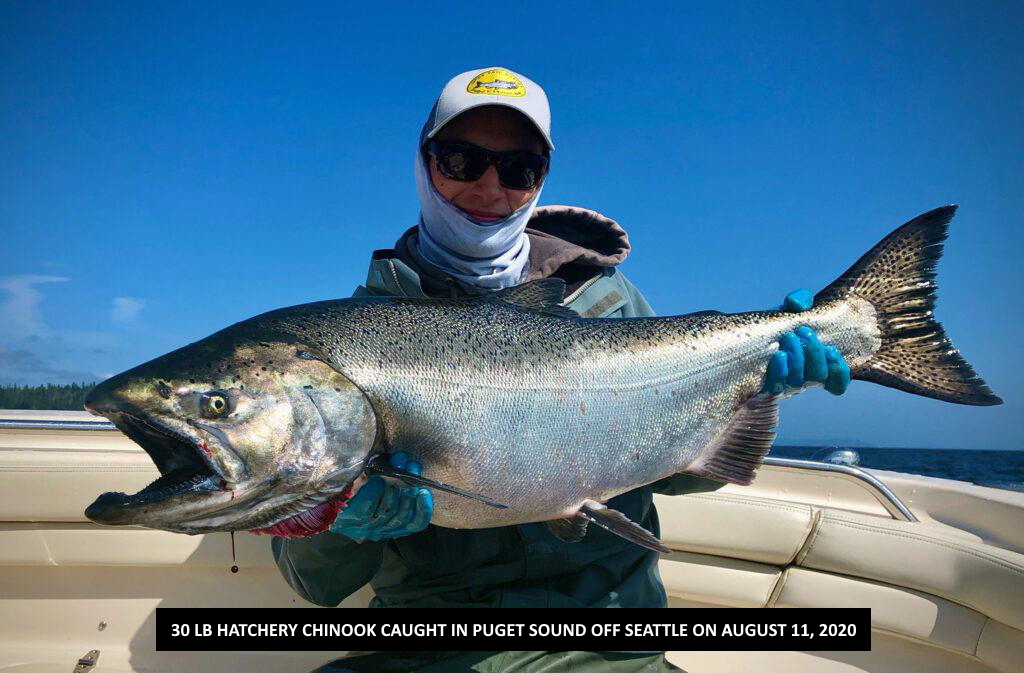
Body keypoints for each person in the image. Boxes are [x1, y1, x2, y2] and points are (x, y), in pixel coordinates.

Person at [274, 67, 849, 672]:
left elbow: (683, 475)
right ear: (424, 161)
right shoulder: (344, 344)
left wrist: (752, 392)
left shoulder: (607, 301)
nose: (491, 187)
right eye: (462, 160)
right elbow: (317, 590)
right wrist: (338, 522)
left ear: (541, 179)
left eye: (518, 169)